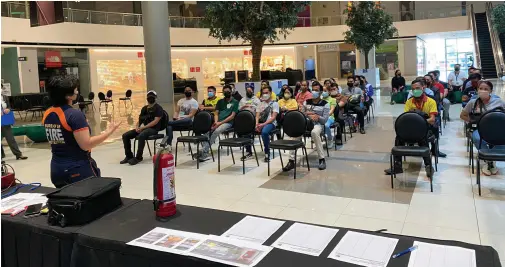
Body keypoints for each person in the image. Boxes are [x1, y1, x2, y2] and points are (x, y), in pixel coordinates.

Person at [43, 75, 121, 188]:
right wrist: (109, 132)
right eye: (75, 90)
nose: (77, 91)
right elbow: (86, 144)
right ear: (68, 96)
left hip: (56, 168)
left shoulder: (48, 113)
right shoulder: (74, 114)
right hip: (77, 169)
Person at [385, 79, 437, 177]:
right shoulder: (409, 102)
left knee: (423, 138)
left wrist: (419, 123)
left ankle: (428, 166)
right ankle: (397, 166)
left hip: (425, 129)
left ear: (423, 87)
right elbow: (406, 118)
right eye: (413, 89)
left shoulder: (431, 101)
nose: (415, 91)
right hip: (411, 129)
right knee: (399, 137)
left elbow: (432, 119)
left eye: (417, 88)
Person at [460, 80, 505, 176]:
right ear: (477, 90)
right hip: (479, 129)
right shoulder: (473, 102)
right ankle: (488, 160)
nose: (483, 91)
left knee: (501, 139)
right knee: (477, 138)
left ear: (491, 91)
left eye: (486, 89)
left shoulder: (499, 102)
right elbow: (463, 115)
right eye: (480, 89)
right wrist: (472, 121)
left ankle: (492, 159)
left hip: (496, 128)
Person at [283, 85, 330, 171]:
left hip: (317, 124)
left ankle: (321, 159)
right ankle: (291, 161)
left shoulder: (325, 104)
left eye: (316, 90)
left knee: (314, 132)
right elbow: (302, 114)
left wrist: (317, 117)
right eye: (313, 90)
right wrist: (309, 114)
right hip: (305, 123)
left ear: (320, 92)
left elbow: (324, 121)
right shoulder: (306, 102)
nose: (314, 92)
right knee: (295, 133)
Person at [121, 90, 163, 165]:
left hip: (153, 129)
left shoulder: (158, 108)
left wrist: (143, 128)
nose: (150, 98)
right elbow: (140, 120)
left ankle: (138, 157)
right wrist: (137, 127)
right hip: (143, 128)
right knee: (125, 135)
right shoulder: (144, 108)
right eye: (149, 97)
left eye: (152, 96)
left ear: (155, 98)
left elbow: (155, 122)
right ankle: (129, 156)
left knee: (141, 136)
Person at [198, 85, 239, 162]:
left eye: (228, 91)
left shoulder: (235, 102)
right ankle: (204, 150)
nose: (226, 93)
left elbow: (232, 116)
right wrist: (216, 122)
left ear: (231, 92)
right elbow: (216, 113)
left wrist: (220, 123)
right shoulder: (220, 102)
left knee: (216, 131)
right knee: (207, 133)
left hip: (228, 123)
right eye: (225, 91)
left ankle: (204, 153)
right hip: (218, 122)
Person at [248, 86, 279, 162]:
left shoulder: (275, 104)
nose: (264, 94)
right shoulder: (260, 104)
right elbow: (257, 115)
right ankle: (249, 152)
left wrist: (263, 124)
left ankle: (267, 152)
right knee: (247, 130)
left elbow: (273, 117)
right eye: (263, 93)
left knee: (264, 132)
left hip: (271, 123)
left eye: (266, 93)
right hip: (260, 123)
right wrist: (256, 124)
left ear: (270, 93)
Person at [1, 88, 27, 161]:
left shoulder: (5, 97)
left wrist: (8, 109)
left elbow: (9, 106)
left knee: (10, 138)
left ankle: (18, 154)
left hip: (5, 120)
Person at [239, 86, 261, 159]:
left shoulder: (256, 100)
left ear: (253, 91)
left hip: (253, 118)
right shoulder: (243, 100)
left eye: (250, 91)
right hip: (244, 118)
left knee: (247, 133)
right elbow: (239, 110)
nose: (249, 92)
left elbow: (259, 111)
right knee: (243, 132)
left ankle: (249, 152)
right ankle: (248, 150)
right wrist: (244, 106)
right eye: (247, 91)